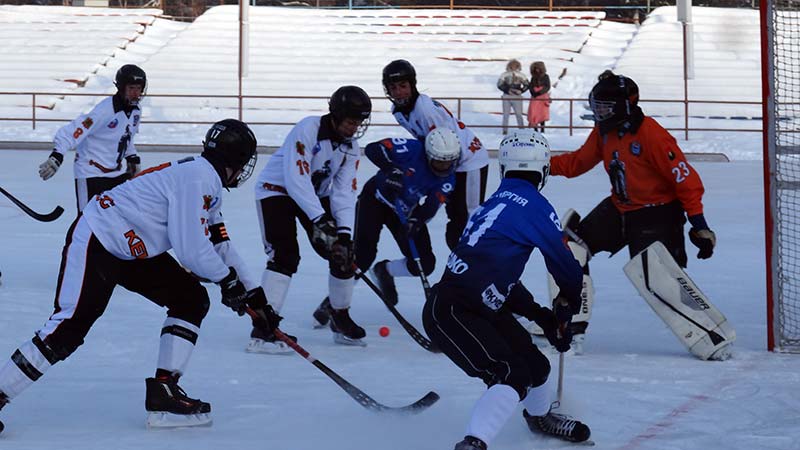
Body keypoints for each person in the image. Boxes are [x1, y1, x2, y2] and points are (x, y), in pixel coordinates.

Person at [0, 119, 282, 431]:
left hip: (130, 247)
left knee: (190, 299)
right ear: (236, 161)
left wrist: (257, 297)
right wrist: (228, 282)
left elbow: (219, 243)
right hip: (100, 237)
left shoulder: (206, 181)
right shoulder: (198, 179)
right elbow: (191, 249)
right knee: (69, 327)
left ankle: (164, 392)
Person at [422, 129, 591, 449]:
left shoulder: (494, 203)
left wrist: (542, 315)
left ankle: (539, 418)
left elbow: (496, 276)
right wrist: (567, 301)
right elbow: (566, 266)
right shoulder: (536, 206)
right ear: (542, 169)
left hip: (474, 304)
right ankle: (473, 443)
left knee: (536, 366)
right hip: (456, 310)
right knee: (510, 374)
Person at [547, 74, 717, 352]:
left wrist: (699, 224)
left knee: (660, 281)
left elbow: (686, 180)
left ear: (625, 105)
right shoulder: (604, 131)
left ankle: (711, 336)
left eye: (604, 106)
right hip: (619, 208)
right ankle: (570, 326)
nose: (598, 112)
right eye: (596, 105)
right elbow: (578, 162)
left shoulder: (652, 135)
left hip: (658, 214)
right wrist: (540, 163)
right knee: (569, 247)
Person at [250, 85, 372, 350]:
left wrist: (344, 234)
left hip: (314, 195)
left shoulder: (351, 148)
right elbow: (296, 180)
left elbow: (343, 193)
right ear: (337, 115)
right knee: (284, 255)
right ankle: (263, 329)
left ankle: (339, 317)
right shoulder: (308, 129)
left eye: (359, 123)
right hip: (277, 191)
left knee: (343, 255)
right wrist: (319, 220)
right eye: (351, 122)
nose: (354, 129)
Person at [314, 129, 459, 315]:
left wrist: (417, 221)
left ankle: (385, 270)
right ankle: (333, 305)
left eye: (449, 162)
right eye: (439, 161)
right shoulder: (411, 149)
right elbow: (375, 148)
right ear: (429, 154)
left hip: (405, 209)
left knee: (425, 263)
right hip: (375, 199)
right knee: (362, 257)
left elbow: (431, 206)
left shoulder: (448, 178)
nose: (444, 167)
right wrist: (391, 169)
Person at [382, 59, 490, 250]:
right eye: (393, 87)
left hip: (468, 160)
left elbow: (446, 144)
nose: (399, 92)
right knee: (456, 218)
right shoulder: (398, 112)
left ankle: (483, 267)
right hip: (449, 161)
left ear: (412, 85)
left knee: (469, 218)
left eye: (403, 86)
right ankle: (467, 264)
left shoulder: (424, 110)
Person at [39, 64, 147, 212]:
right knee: (86, 221)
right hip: (90, 174)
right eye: (131, 88)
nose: (136, 93)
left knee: (116, 219)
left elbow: (127, 136)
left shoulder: (136, 111)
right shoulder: (105, 110)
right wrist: (57, 155)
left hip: (115, 174)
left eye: (138, 88)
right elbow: (73, 131)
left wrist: (132, 157)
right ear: (121, 88)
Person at [496, 59, 529, 134]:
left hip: (517, 96)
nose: (514, 67)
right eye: (512, 66)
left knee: (518, 114)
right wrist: (508, 90)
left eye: (515, 66)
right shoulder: (504, 74)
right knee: (506, 114)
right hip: (507, 95)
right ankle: (505, 130)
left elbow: (527, 85)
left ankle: (521, 129)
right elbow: (499, 84)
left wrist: (521, 90)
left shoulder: (521, 75)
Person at [527, 61, 551, 133]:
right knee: (534, 113)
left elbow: (547, 86)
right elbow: (530, 86)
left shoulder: (546, 76)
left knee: (542, 113)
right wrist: (533, 93)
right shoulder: (533, 77)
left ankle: (542, 129)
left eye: (538, 68)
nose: (537, 70)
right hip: (534, 98)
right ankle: (535, 129)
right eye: (535, 68)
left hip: (543, 97)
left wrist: (540, 92)